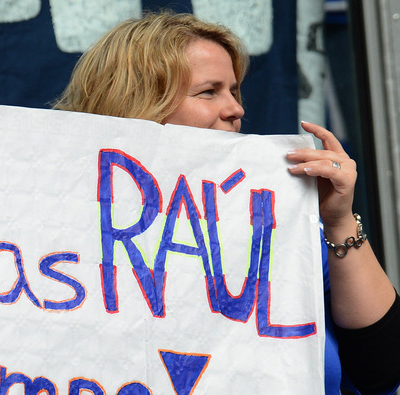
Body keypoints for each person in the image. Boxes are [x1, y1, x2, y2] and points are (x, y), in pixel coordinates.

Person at [54, 12, 400, 394]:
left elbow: (382, 370)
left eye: (234, 91)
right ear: (139, 104)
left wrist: (338, 221)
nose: (236, 109)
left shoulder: (279, 227)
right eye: (209, 91)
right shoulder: (60, 236)